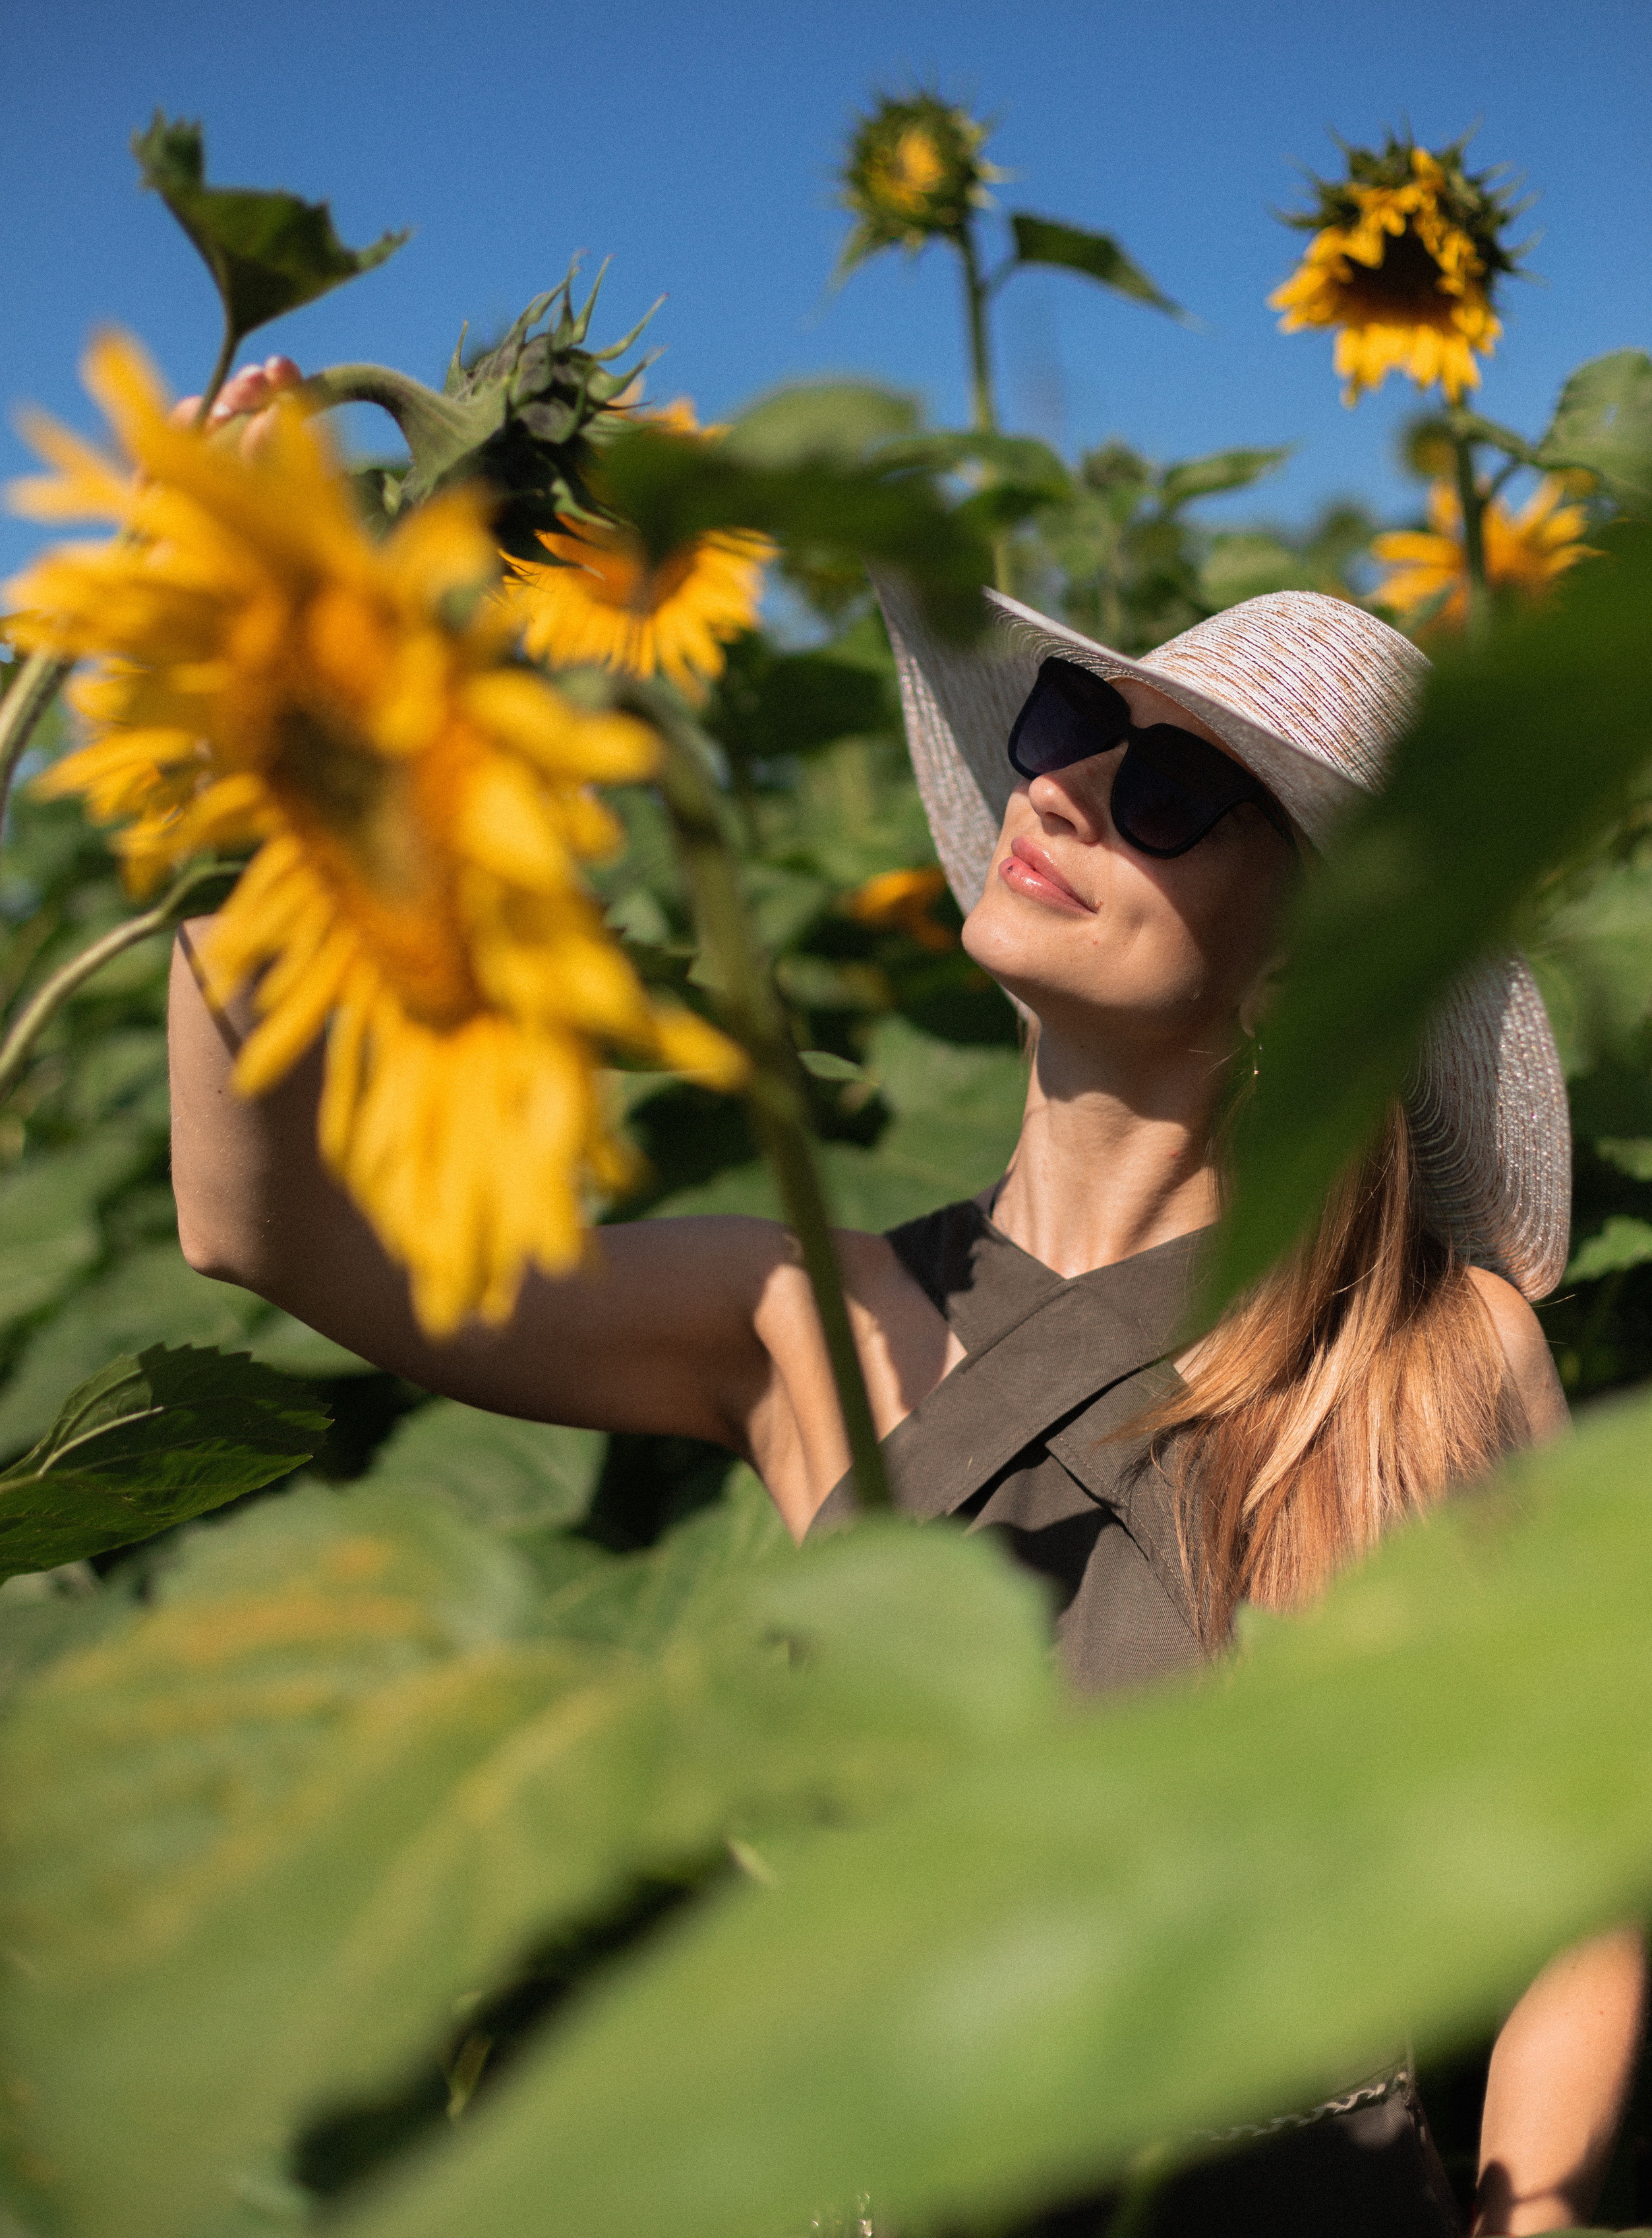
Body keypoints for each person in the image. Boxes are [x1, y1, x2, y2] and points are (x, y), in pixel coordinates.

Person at [166, 421, 1644, 2235]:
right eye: (1062, 733)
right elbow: (263, 1225)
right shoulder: (813, 1315)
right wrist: (265, 728)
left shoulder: (1421, 1355)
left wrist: (1539, 2217)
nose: (1070, 793)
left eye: (1178, 795)